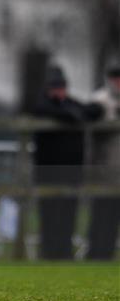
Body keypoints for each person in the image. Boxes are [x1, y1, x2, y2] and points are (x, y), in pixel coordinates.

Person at [32, 65, 101, 260]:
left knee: (69, 213)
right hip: (48, 171)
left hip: (71, 170)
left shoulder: (70, 104)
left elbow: (93, 111)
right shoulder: (44, 106)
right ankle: (49, 252)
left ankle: (64, 252)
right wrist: (71, 114)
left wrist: (73, 112)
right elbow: (55, 112)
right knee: (49, 213)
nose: (59, 91)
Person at [86, 62, 120, 259]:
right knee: (101, 213)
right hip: (105, 167)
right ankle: (96, 252)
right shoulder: (101, 100)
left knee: (114, 214)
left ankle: (107, 253)